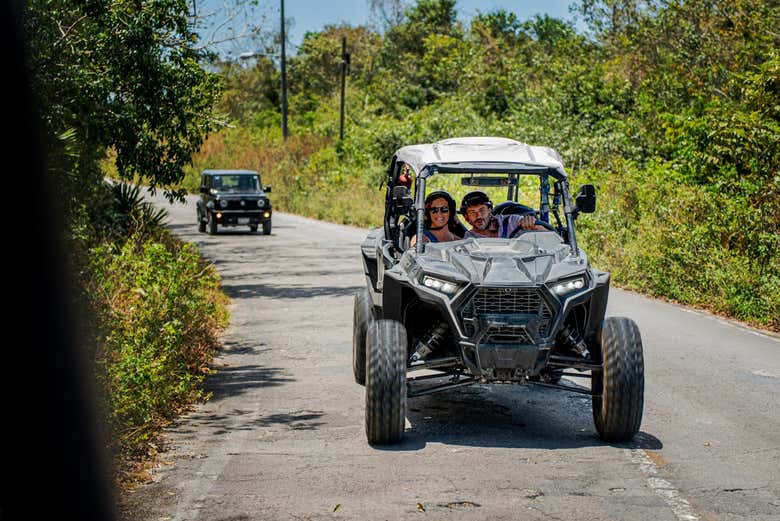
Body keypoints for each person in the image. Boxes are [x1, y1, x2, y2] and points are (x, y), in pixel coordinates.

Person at [459, 190, 546, 239]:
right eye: (472, 212)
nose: (479, 216)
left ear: (490, 211)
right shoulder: (469, 239)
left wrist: (533, 226)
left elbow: (548, 236)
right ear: (466, 217)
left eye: (482, 210)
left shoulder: (512, 221)